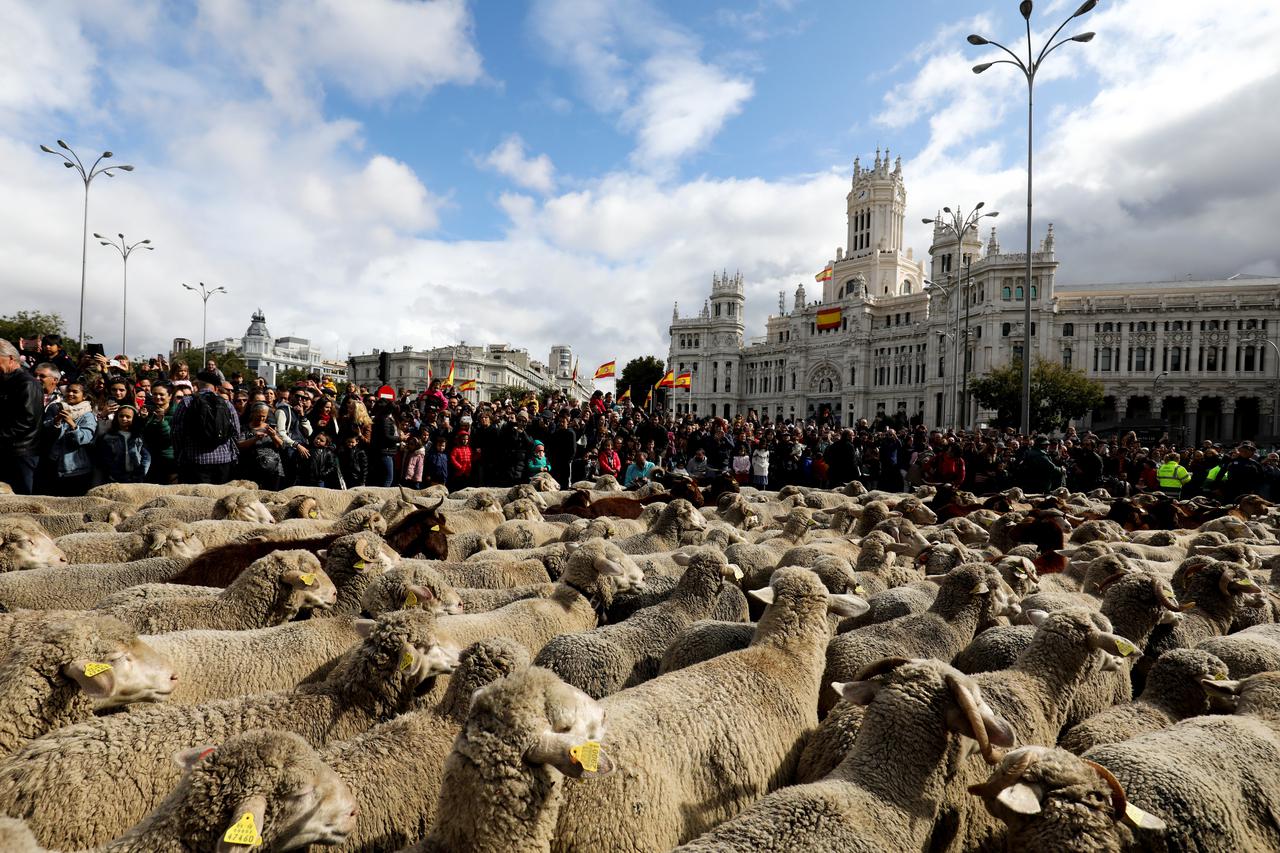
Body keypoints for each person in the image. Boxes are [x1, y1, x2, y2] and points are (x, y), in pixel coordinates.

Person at [170, 370, 240, 484]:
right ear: (216, 388)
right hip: (223, 462)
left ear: (197, 386)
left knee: (196, 499)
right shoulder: (227, 404)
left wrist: (179, 454)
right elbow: (236, 432)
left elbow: (176, 432)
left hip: (194, 461)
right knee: (219, 498)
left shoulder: (187, 402)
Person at [0, 340, 46, 494]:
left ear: (11, 358)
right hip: (6, 450)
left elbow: (27, 420)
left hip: (22, 453)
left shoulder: (27, 383)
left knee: (25, 502)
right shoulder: (5, 382)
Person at [43, 380, 97, 495]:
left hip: (76, 468)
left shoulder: (88, 415)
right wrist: (56, 422)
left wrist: (72, 424)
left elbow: (84, 439)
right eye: (68, 391)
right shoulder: (56, 408)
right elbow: (45, 432)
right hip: (53, 464)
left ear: (84, 396)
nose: (70, 394)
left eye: (75, 392)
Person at [235, 402, 286, 490]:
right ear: (253, 413)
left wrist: (273, 436)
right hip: (251, 469)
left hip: (273, 469)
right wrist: (255, 438)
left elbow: (282, 445)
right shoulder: (245, 428)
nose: (261, 418)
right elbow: (239, 445)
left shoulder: (271, 428)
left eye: (264, 416)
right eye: (259, 415)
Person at [95, 404, 150, 484]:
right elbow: (106, 458)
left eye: (128, 417)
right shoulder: (108, 437)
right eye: (121, 416)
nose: (124, 419)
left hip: (135, 478)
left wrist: (141, 473)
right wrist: (115, 474)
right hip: (115, 479)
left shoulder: (138, 437)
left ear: (134, 419)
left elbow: (146, 456)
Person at [368, 399, 401, 487]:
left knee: (383, 477)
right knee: (388, 478)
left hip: (384, 451)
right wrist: (400, 438)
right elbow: (386, 436)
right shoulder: (385, 419)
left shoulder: (380, 418)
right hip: (385, 451)